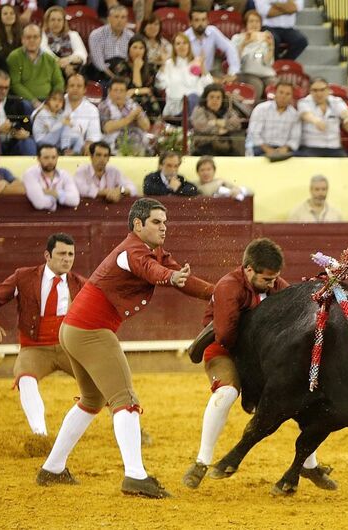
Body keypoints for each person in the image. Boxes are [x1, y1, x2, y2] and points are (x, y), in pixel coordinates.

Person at [36, 198, 214, 498]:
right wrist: (170, 276)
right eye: (157, 222)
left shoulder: (151, 250)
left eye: (165, 222)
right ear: (138, 224)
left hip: (75, 329)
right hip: (91, 330)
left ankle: (52, 468)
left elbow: (181, 280)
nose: (164, 227)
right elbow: (151, 270)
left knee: (91, 401)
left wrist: (217, 294)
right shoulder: (132, 250)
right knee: (125, 398)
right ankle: (135, 475)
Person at [182, 237, 335, 490]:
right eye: (266, 279)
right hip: (225, 351)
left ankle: (309, 466)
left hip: (262, 356)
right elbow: (225, 335)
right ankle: (201, 461)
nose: (271, 283)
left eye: (274, 278)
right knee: (226, 391)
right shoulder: (228, 287)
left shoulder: (276, 285)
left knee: (296, 398)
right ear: (248, 269)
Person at [0, 233, 86, 454]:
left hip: (70, 348)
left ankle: (126, 422)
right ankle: (40, 436)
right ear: (47, 255)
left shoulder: (80, 284)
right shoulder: (24, 277)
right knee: (25, 378)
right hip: (35, 348)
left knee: (103, 378)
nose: (67, 259)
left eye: (71, 254)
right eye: (61, 254)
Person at [7, 24, 64, 112]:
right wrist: (34, 101)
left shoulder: (50, 59)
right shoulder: (14, 57)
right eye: (28, 37)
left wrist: (53, 100)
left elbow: (59, 82)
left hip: (47, 100)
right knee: (27, 108)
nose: (32, 40)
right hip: (24, 101)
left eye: (35, 37)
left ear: (40, 39)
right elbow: (15, 84)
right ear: (22, 39)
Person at [296, 77, 348, 157]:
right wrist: (316, 121)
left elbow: (346, 113)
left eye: (322, 90)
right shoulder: (304, 102)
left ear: (328, 90)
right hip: (311, 147)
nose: (319, 94)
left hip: (334, 147)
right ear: (310, 91)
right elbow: (306, 115)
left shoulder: (336, 101)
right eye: (315, 90)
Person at [157, 32, 214, 118]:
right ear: (174, 47)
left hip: (196, 106)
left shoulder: (197, 62)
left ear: (189, 46)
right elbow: (160, 85)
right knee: (191, 98)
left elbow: (209, 85)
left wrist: (202, 66)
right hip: (176, 108)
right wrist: (163, 64)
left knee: (193, 97)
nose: (182, 46)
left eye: (184, 43)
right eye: (178, 44)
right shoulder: (169, 64)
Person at [109, 35, 161, 119]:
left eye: (141, 48)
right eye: (135, 47)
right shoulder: (121, 67)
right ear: (129, 49)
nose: (138, 51)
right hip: (125, 99)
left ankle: (156, 124)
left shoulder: (151, 68)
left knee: (146, 98)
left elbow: (150, 89)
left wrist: (134, 91)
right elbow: (125, 89)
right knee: (141, 99)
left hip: (144, 98)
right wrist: (136, 69)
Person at [98, 77, 152, 156]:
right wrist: (131, 117)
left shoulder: (132, 105)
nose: (118, 93)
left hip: (137, 139)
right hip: (114, 142)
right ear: (109, 92)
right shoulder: (104, 106)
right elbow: (108, 128)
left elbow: (146, 126)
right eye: (115, 90)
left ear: (126, 92)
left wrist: (139, 118)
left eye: (122, 91)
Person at [246, 80, 301, 156]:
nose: (283, 96)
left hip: (283, 150)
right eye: (281, 92)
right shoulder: (261, 109)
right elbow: (253, 134)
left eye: (287, 94)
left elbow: (295, 138)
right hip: (261, 148)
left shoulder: (295, 114)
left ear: (291, 96)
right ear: (275, 93)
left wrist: (285, 149)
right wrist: (268, 150)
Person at [185, 7, 240, 81]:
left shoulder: (212, 31)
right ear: (190, 22)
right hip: (190, 74)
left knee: (226, 83)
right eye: (196, 20)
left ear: (207, 21)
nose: (200, 24)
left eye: (203, 20)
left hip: (210, 72)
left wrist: (233, 72)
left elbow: (230, 48)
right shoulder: (185, 37)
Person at [231, 9, 275, 100]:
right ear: (245, 24)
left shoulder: (266, 37)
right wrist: (244, 45)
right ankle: (251, 112)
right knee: (256, 84)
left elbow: (268, 63)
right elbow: (235, 62)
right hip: (244, 73)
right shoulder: (237, 38)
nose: (254, 24)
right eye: (251, 21)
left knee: (274, 83)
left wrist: (271, 47)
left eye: (257, 21)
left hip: (264, 73)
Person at [74, 141, 138, 202]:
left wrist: (120, 190)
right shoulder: (82, 171)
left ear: (108, 158)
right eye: (98, 155)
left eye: (105, 156)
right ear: (91, 157)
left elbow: (132, 188)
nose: (102, 159)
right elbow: (80, 189)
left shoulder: (114, 171)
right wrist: (104, 192)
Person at [22, 144, 80, 211]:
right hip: (36, 218)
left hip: (62, 219)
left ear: (57, 158)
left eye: (53, 157)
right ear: (38, 159)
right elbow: (39, 203)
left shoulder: (65, 174)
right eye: (46, 157)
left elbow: (75, 200)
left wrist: (52, 193)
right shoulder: (30, 174)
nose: (50, 161)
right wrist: (59, 199)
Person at [190, 83, 243, 156]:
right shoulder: (199, 110)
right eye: (211, 97)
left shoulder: (228, 110)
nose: (215, 100)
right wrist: (222, 129)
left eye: (218, 97)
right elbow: (203, 127)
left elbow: (237, 124)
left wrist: (215, 122)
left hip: (226, 145)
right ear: (205, 98)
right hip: (205, 145)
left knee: (238, 155)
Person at [87, 5, 134, 84]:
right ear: (109, 19)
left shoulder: (131, 36)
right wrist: (115, 79)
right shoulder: (96, 35)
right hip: (103, 74)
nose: (120, 20)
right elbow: (99, 64)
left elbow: (132, 60)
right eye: (116, 17)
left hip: (124, 73)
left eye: (123, 17)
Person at [39, 6, 87, 79]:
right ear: (47, 22)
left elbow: (82, 55)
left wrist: (68, 61)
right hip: (49, 73)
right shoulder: (41, 35)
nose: (56, 23)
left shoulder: (73, 35)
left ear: (64, 22)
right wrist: (60, 62)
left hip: (72, 71)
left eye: (59, 20)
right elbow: (44, 52)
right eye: (53, 20)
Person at [32, 90, 85, 155]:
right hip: (42, 140)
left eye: (60, 101)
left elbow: (70, 129)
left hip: (55, 140)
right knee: (65, 125)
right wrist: (64, 123)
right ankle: (65, 149)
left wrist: (70, 125)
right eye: (54, 99)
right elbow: (51, 129)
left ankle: (74, 154)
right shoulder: (43, 113)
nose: (57, 103)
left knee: (78, 137)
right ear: (49, 101)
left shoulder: (60, 114)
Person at [63, 73, 103, 156]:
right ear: (66, 88)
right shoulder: (55, 101)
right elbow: (37, 116)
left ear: (85, 89)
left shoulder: (92, 110)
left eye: (79, 86)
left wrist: (88, 144)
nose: (75, 89)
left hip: (79, 149)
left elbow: (94, 136)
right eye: (72, 85)